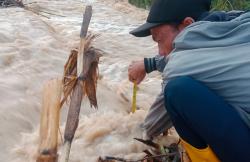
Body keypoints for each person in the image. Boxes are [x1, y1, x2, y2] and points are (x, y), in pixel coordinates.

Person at [128, 0, 250, 161]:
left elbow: (151, 127)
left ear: (187, 24)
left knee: (178, 91)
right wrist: (148, 64)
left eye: (159, 41)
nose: (160, 52)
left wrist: (130, 134)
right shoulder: (240, 22)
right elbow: (197, 52)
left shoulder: (179, 67)